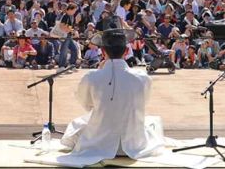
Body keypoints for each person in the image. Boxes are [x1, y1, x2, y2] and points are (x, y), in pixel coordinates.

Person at [55, 18, 166, 166]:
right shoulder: (143, 78)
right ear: (126, 51)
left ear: (102, 51)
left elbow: (87, 105)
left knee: (77, 125)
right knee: (153, 122)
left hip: (99, 142)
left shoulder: (92, 77)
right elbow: (142, 104)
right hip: (134, 144)